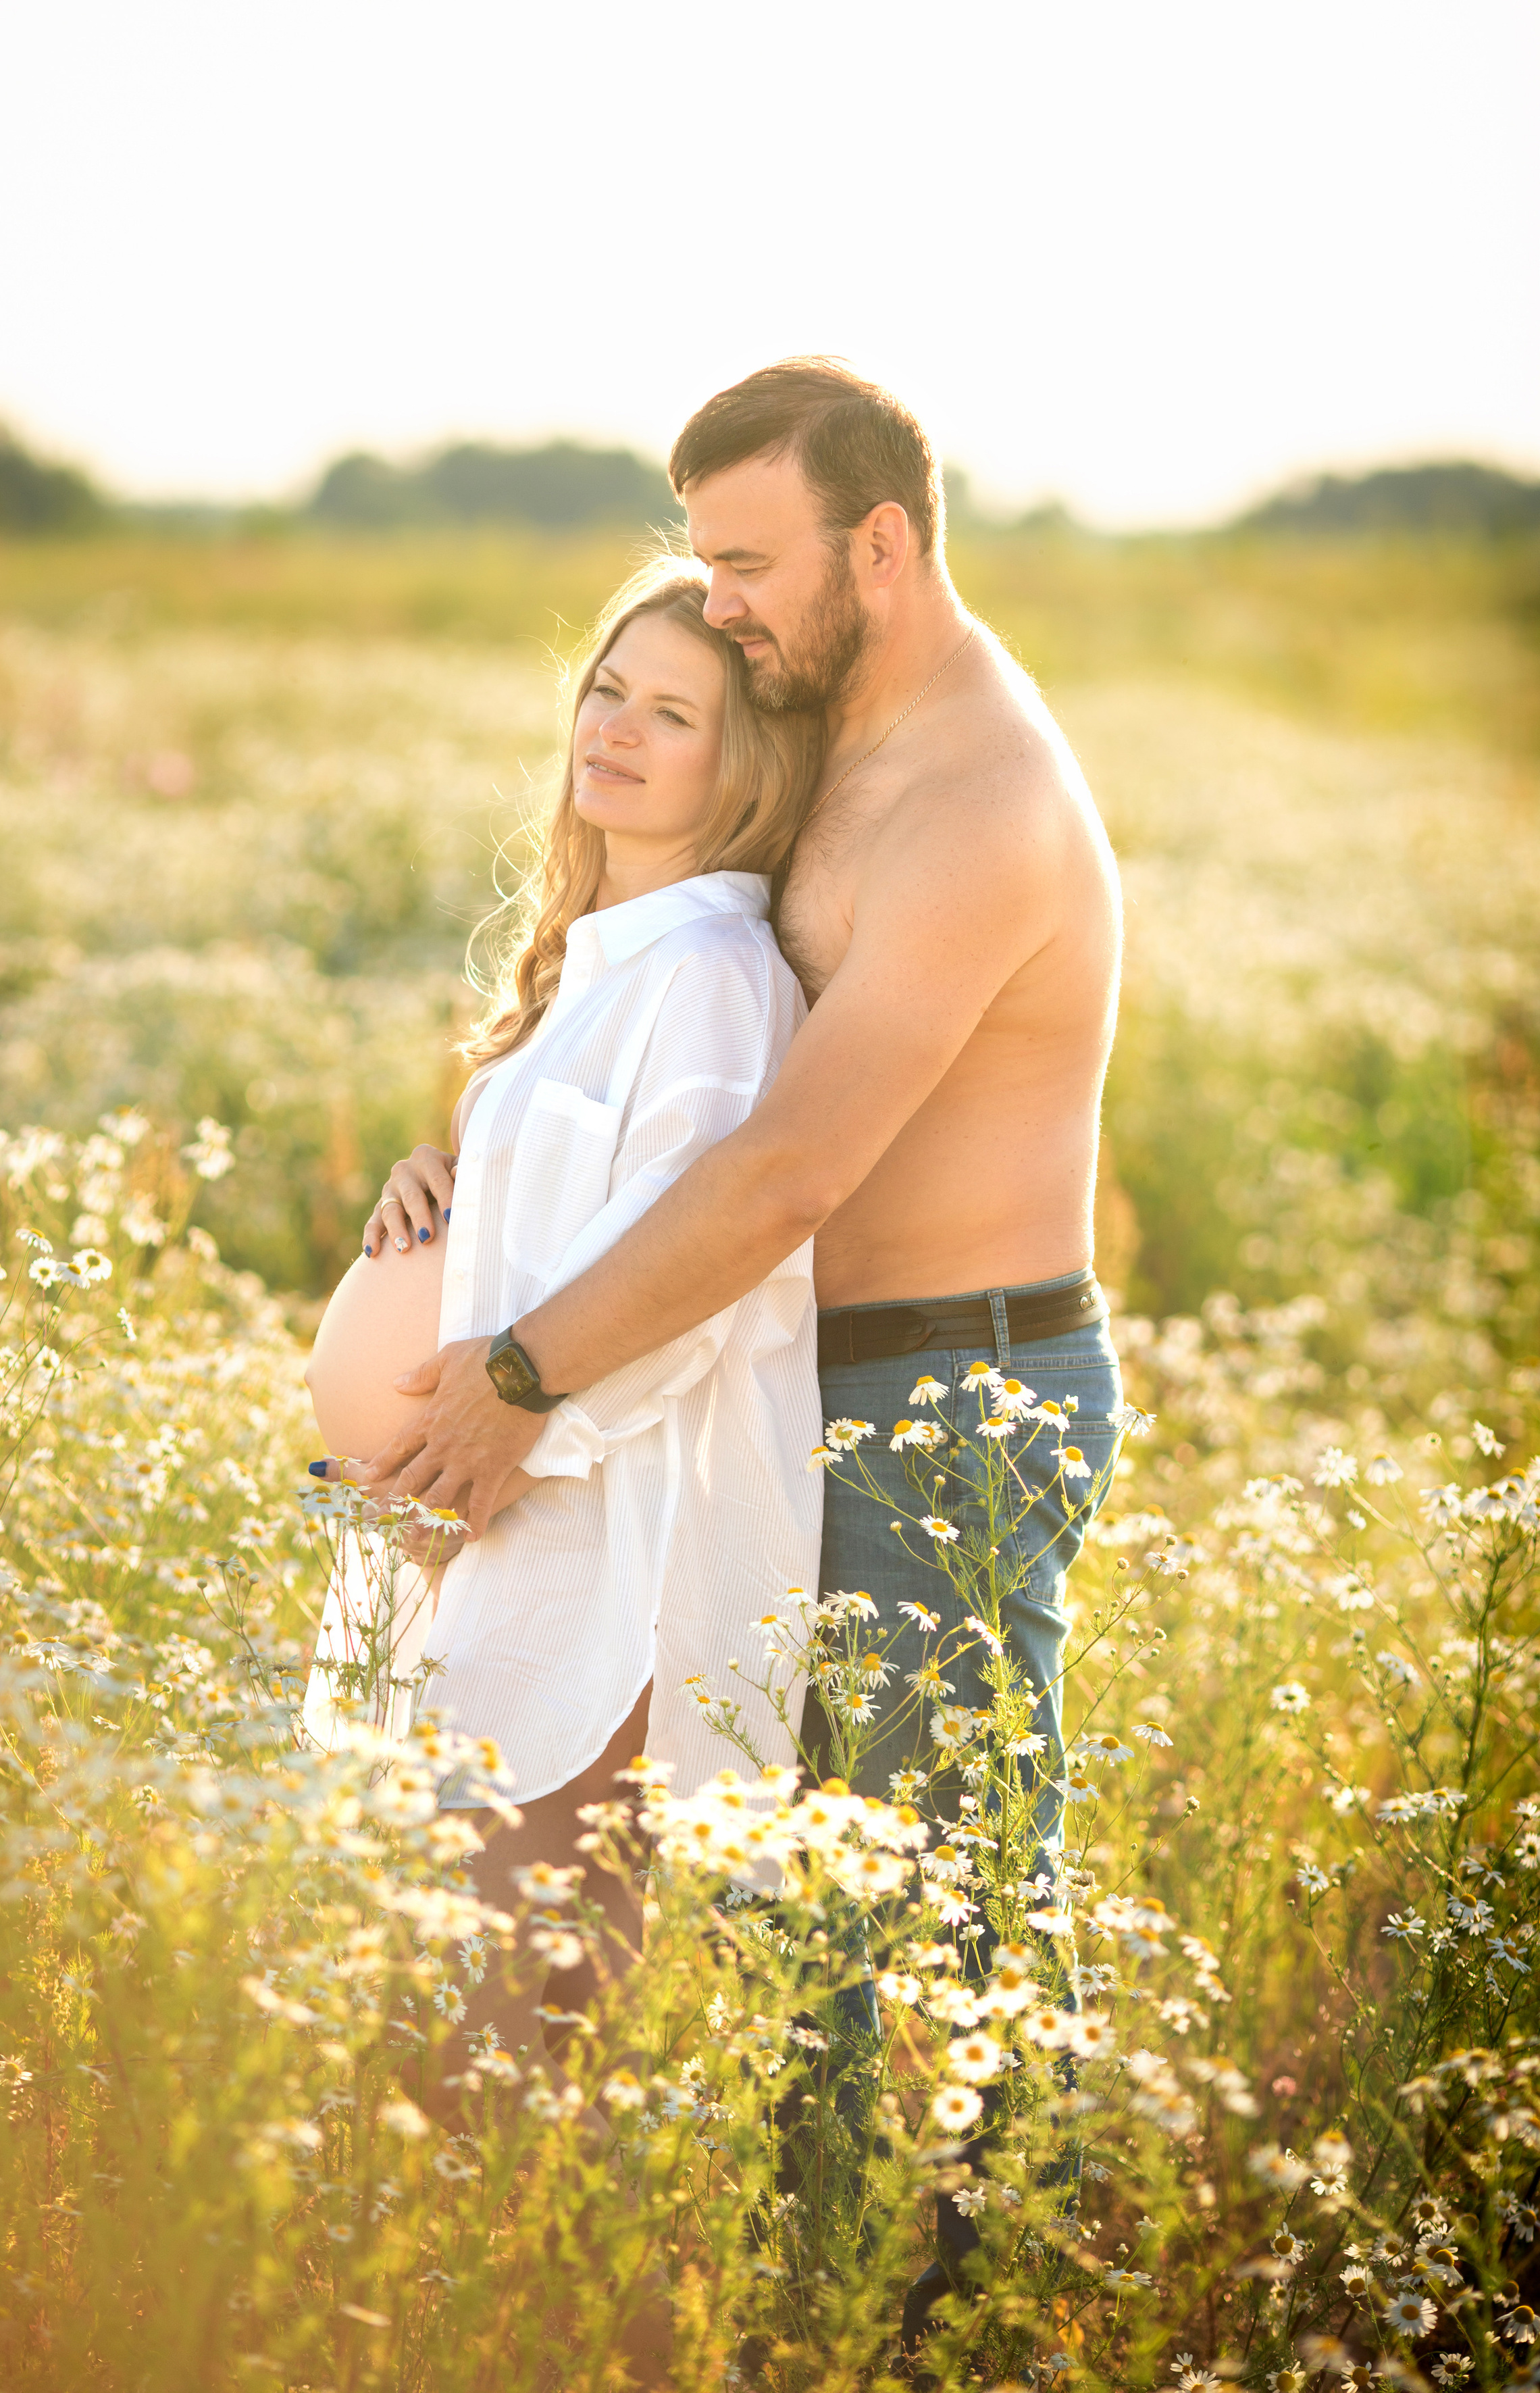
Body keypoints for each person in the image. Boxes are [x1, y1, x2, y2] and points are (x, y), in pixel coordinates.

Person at [360, 359, 1125, 2349]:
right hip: (779, 1391)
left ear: (881, 544)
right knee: (794, 1905)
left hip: (952, 1395)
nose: (722, 603)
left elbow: (785, 1168)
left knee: (942, 1902)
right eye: (703, 561)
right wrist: (474, 1157)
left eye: (750, 564)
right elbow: (648, 1013)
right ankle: (811, 2312)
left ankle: (979, 2324)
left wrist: (516, 1375)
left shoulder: (982, 800)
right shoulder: (819, 730)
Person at [305, 555, 825, 2117]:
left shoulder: (714, 978)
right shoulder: (607, 962)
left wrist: (487, 1450)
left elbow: (690, 1269)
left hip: (591, 1528)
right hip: (501, 1516)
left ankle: (520, 2264)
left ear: (745, 767)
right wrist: (447, 1184)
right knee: (502, 1999)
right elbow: (574, 1223)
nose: (615, 729)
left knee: (503, 2011)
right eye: (607, 691)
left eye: (672, 713)